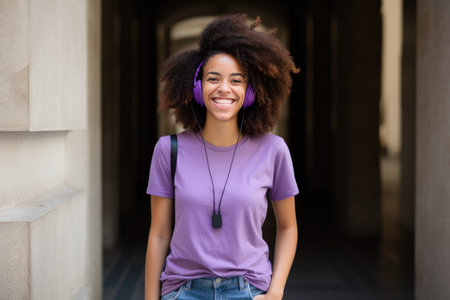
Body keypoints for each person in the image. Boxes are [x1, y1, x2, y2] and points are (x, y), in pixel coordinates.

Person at [145, 14, 300, 300]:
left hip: (249, 290)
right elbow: (158, 234)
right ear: (197, 87)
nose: (224, 88)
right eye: (213, 78)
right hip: (184, 291)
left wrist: (276, 292)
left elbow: (288, 227)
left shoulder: (273, 150)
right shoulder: (168, 150)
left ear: (250, 91)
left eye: (236, 80)